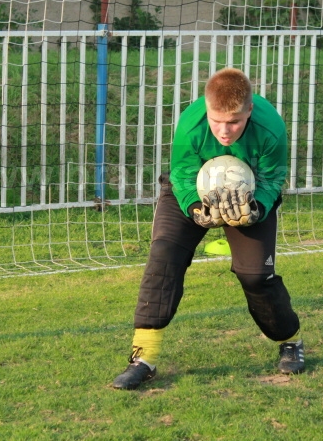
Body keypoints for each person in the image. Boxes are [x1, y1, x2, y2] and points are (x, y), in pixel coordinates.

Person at [112, 67, 304, 390]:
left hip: (250, 195)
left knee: (256, 276)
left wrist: (257, 209)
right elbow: (182, 174)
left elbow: (272, 178)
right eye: (217, 121)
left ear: (249, 110)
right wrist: (195, 208)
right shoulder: (191, 124)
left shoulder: (271, 128)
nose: (224, 131)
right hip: (191, 189)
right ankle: (144, 358)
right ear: (206, 107)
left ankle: (291, 341)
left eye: (234, 122)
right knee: (164, 257)